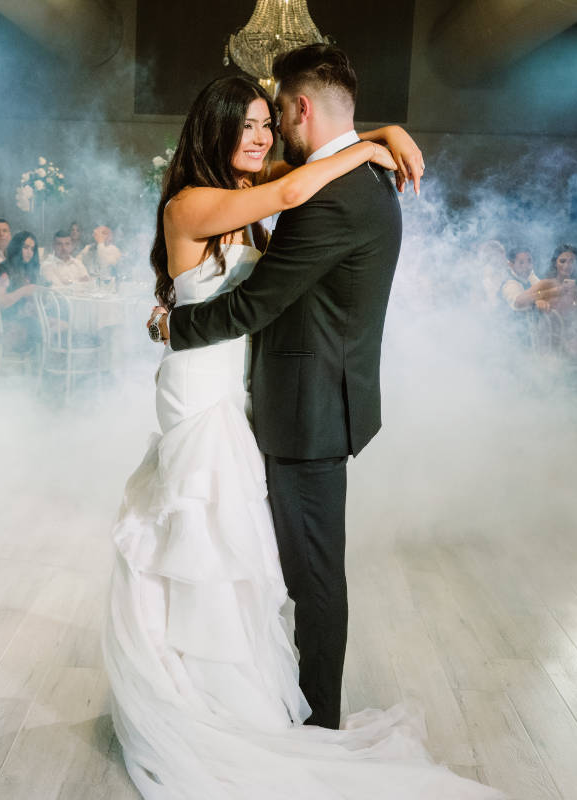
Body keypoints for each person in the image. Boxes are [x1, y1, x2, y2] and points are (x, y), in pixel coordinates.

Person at [108, 51, 499, 798]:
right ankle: (203, 694)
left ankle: (269, 706)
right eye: (247, 124)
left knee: (251, 557)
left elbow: (272, 253)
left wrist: (377, 137)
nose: (261, 135)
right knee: (205, 540)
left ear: (297, 112)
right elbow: (290, 201)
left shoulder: (290, 193)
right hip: (210, 392)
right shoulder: (202, 201)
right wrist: (378, 139)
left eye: (269, 119)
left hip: (278, 400)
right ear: (214, 131)